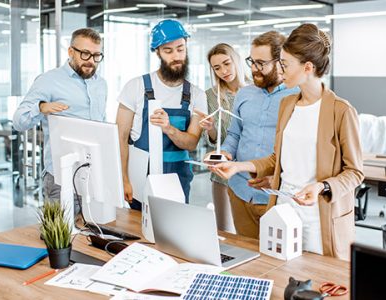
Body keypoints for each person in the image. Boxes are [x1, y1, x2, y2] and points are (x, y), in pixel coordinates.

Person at [211, 24, 364, 260]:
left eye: (285, 64)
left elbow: (355, 172)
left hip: (318, 216)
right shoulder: (288, 105)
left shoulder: (341, 111)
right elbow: (276, 157)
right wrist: (239, 166)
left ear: (308, 67)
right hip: (283, 211)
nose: (281, 71)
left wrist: (322, 187)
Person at [207, 32, 299, 239]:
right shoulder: (245, 94)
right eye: (251, 61)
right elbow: (234, 134)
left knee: (276, 263)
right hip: (240, 191)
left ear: (280, 62)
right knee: (247, 258)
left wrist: (278, 178)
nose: (254, 69)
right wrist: (225, 154)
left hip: (277, 196)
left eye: (261, 63)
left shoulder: (297, 96)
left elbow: (301, 150)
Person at [116, 19, 207, 210]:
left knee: (175, 234)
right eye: (168, 50)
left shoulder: (197, 95)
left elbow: (191, 143)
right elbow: (120, 139)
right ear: (157, 52)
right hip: (140, 180)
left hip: (178, 181)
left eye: (180, 49)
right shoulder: (135, 87)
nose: (176, 56)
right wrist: (124, 179)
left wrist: (168, 128)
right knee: (138, 234)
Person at [13, 28, 107, 205]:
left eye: (96, 56)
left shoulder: (101, 84)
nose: (91, 61)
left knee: (93, 231)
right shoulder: (49, 80)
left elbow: (100, 125)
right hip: (61, 176)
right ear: (71, 52)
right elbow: (18, 121)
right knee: (61, 232)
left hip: (94, 174)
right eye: (85, 54)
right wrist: (41, 107)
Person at [195, 43, 246, 233]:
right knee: (225, 231)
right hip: (223, 175)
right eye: (217, 68)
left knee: (251, 234)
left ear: (236, 60)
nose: (223, 71)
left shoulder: (254, 91)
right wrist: (211, 128)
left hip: (250, 172)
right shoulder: (210, 96)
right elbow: (216, 140)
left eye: (227, 64)